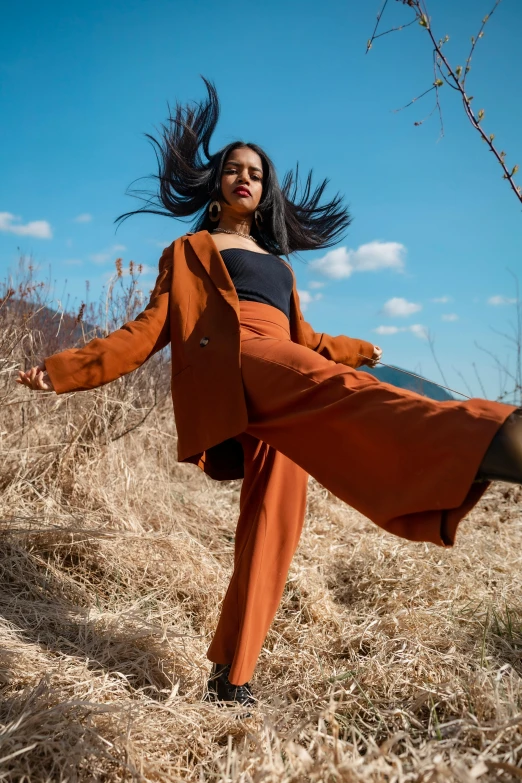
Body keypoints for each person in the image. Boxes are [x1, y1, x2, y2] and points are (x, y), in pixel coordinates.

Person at [17, 79, 522, 709]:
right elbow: (147, 332)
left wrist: (356, 346)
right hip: (239, 364)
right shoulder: (190, 251)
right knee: (350, 394)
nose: (244, 178)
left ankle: (232, 675)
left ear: (265, 190)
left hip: (280, 363)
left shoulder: (277, 263)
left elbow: (303, 339)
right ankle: (492, 440)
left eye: (255, 172)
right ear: (218, 183)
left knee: (274, 523)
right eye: (233, 169)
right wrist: (63, 369)